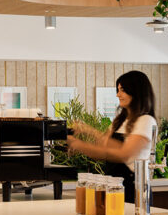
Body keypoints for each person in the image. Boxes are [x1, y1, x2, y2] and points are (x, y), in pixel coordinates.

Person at [67, 70, 156, 202]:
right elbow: (105, 143)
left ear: (136, 92)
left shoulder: (146, 121)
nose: (118, 94)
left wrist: (79, 145)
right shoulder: (119, 120)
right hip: (115, 186)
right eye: (118, 90)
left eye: (122, 90)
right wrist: (86, 130)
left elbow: (123, 154)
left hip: (134, 189)